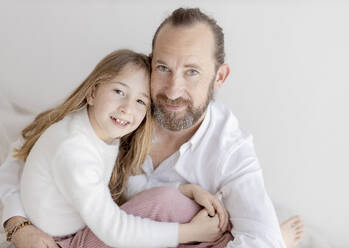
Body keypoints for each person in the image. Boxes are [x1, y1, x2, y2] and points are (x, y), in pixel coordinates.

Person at [0, 7, 305, 248]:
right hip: (95, 231)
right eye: (163, 68)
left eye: (192, 72)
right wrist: (17, 224)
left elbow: (259, 235)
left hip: (142, 230)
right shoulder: (124, 106)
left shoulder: (230, 147)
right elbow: (26, 151)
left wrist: (186, 193)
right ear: (150, 62)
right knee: (174, 204)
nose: (172, 90)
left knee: (209, 218)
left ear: (220, 77)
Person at [2, 49, 231, 248]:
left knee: (171, 201)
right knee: (166, 205)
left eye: (141, 101)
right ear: (93, 93)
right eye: (119, 92)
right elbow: (114, 229)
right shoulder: (74, 150)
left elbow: (126, 186)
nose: (127, 108)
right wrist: (191, 232)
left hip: (78, 232)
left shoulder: (101, 132)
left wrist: (185, 189)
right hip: (60, 242)